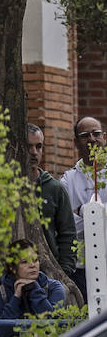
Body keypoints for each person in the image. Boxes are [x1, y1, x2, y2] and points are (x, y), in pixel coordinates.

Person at [60, 116, 105, 295]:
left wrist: (83, 210)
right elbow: (69, 225)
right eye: (85, 135)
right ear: (76, 142)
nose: (92, 139)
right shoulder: (68, 180)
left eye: (96, 133)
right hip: (81, 266)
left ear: (105, 137)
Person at [0, 239, 67, 337]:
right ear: (12, 268)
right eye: (25, 262)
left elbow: (52, 326)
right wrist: (16, 298)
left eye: (35, 260)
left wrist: (35, 289)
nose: (32, 265)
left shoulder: (54, 287)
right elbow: (0, 334)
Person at [28, 124, 76, 278]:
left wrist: (64, 271)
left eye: (39, 146)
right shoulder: (3, 186)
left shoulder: (55, 188)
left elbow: (67, 234)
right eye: (28, 146)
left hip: (49, 272)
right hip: (11, 273)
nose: (34, 152)